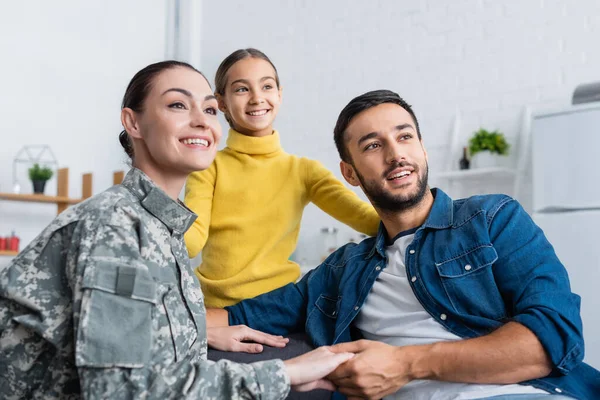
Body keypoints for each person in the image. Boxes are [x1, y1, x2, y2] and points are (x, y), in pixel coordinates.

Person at [208, 90, 600, 400]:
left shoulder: (493, 219)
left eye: (405, 136)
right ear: (351, 174)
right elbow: (231, 317)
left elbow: (552, 339)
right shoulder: (341, 270)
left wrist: (406, 364)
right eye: (373, 146)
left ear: (423, 149)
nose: (397, 155)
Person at [0, 60, 355, 399]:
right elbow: (121, 389)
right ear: (133, 123)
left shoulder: (163, 229)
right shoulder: (114, 226)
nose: (202, 121)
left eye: (210, 110)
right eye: (178, 105)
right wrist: (285, 373)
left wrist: (197, 333)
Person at [184, 48, 380, 308]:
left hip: (279, 309)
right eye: (242, 89)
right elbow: (190, 241)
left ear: (279, 94)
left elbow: (369, 220)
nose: (257, 98)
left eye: (266, 86)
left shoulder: (304, 171)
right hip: (216, 311)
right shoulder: (208, 166)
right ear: (220, 102)